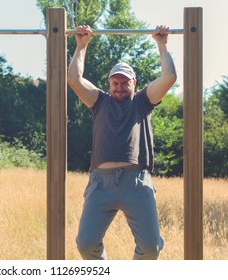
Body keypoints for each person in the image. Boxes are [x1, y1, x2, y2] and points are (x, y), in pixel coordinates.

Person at [67, 25, 177, 260]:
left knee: (150, 247)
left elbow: (169, 77)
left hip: (135, 182)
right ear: (108, 84)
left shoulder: (143, 101)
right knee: (86, 244)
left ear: (134, 83)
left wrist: (162, 45)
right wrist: (81, 45)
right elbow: (74, 79)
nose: (119, 86)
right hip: (101, 183)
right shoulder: (99, 101)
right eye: (115, 82)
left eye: (124, 82)